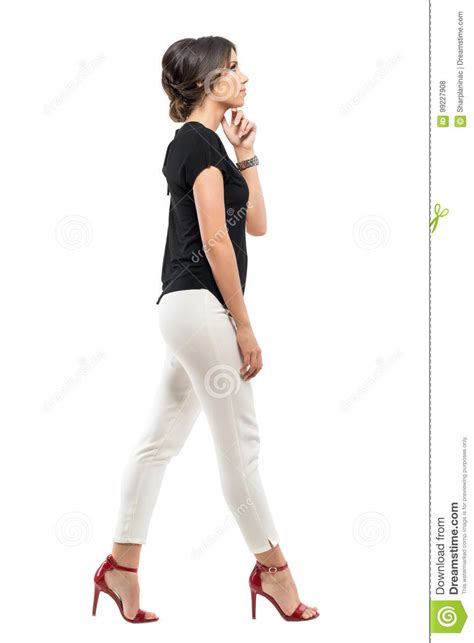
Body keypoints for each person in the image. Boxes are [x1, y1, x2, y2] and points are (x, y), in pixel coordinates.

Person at [92, 35, 319, 624]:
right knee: (240, 447)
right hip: (201, 308)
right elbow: (218, 241)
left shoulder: (213, 146)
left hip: (185, 310)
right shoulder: (191, 142)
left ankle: (120, 566)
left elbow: (258, 225)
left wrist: (246, 152)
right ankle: (274, 573)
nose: (245, 77)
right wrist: (244, 327)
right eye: (234, 69)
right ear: (205, 83)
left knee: (158, 442)